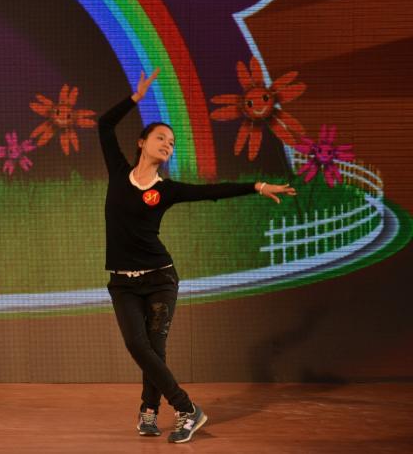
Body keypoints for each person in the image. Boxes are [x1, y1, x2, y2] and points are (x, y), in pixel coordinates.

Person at [99, 68, 294, 444]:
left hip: (160, 279)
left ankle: (155, 411)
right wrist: (135, 98)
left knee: (154, 348)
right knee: (138, 345)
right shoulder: (119, 173)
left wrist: (257, 186)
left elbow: (212, 192)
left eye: (171, 143)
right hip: (122, 282)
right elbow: (104, 126)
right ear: (141, 142)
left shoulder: (167, 190)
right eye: (160, 137)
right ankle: (185, 408)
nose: (167, 144)